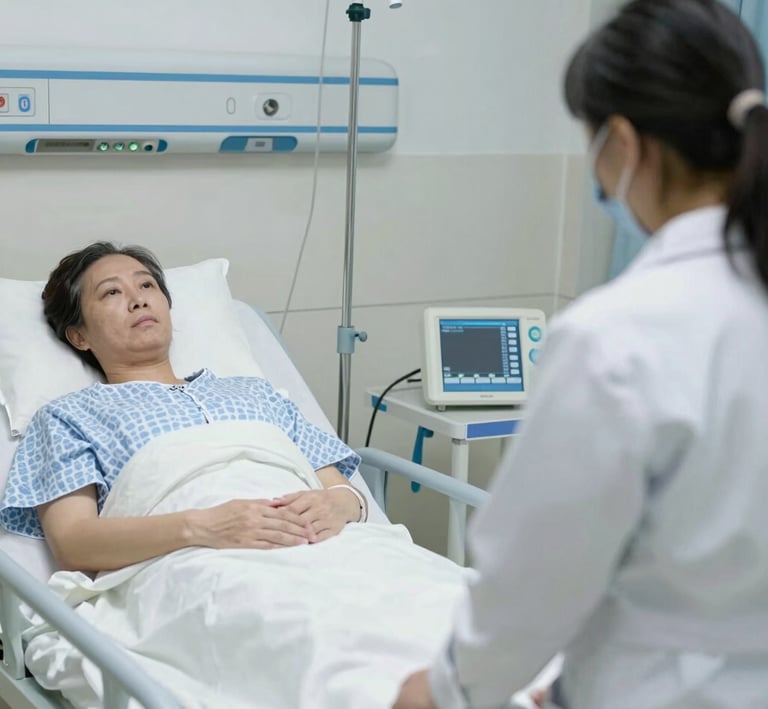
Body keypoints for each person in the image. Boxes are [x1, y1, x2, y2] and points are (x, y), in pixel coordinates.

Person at [394, 0, 768, 707]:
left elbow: (530, 589)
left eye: (591, 142)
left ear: (624, 144)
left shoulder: (620, 335)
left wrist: (441, 690)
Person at [0, 241, 369, 573]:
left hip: (327, 548)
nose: (139, 299)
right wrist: (205, 527)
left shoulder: (258, 392)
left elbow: (343, 492)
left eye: (147, 285)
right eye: (111, 292)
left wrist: (338, 507)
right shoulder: (70, 417)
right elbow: (74, 542)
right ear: (79, 335)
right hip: (193, 566)